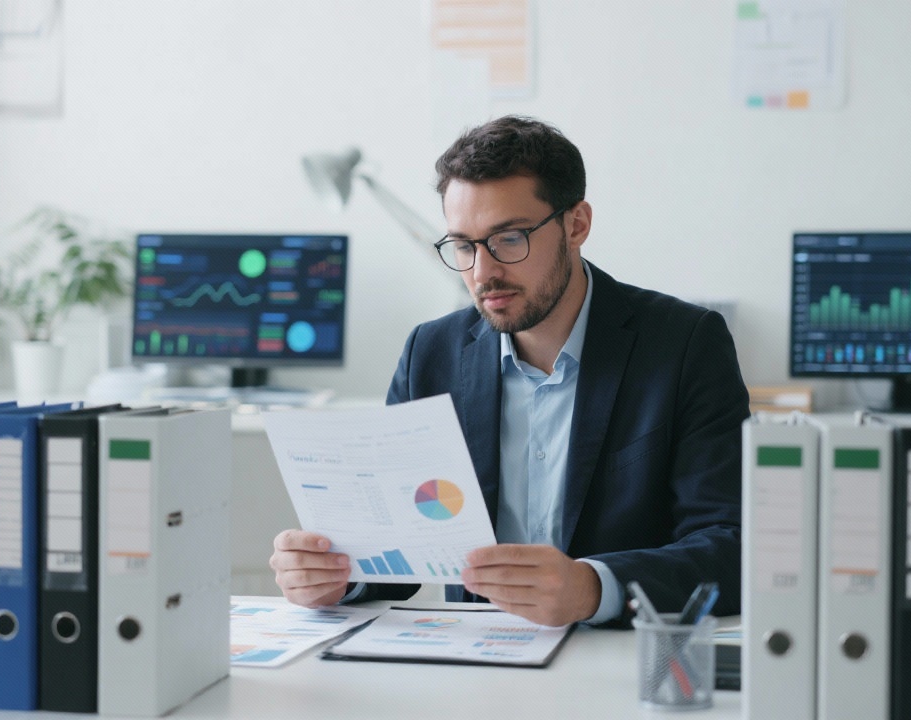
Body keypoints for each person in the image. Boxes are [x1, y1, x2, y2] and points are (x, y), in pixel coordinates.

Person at [270, 115, 748, 627]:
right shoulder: (429, 353)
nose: (482, 272)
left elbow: (732, 546)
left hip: (619, 659)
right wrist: (337, 573)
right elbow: (398, 547)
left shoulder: (685, 344)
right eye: (463, 245)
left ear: (576, 225)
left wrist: (593, 588)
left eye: (509, 238)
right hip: (477, 665)